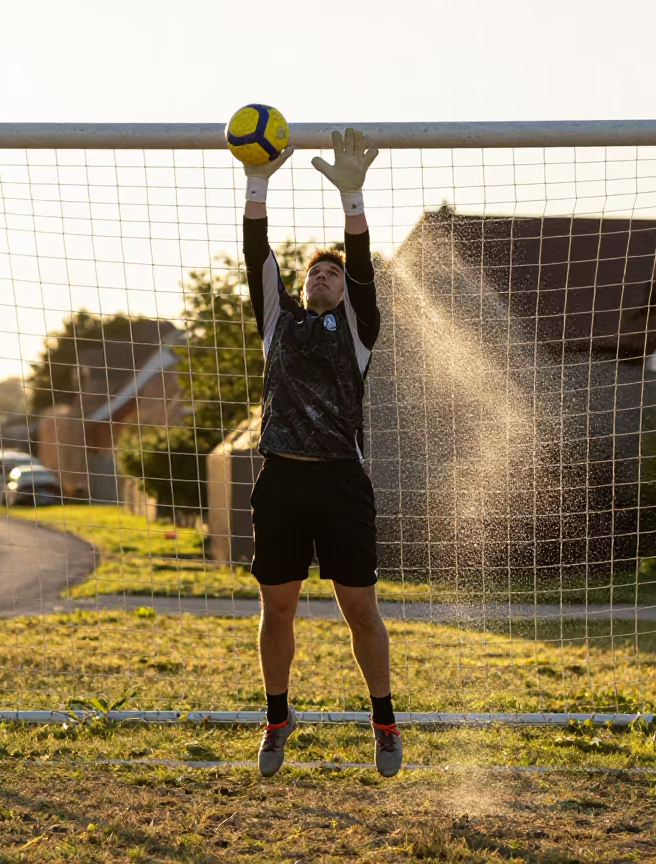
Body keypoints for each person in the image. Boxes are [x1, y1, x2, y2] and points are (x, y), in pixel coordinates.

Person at [241, 128, 401, 778]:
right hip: (281, 482)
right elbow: (255, 252)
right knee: (275, 608)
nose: (325, 276)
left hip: (340, 485)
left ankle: (384, 721)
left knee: (359, 608)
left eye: (332, 272)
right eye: (316, 270)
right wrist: (258, 181)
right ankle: (278, 718)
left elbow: (362, 270)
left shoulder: (359, 330)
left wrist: (353, 198)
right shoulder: (278, 320)